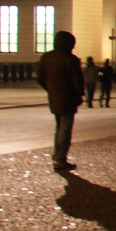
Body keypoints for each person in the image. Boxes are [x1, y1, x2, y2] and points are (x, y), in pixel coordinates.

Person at [36, 30, 85, 172]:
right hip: (68, 98)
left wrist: (51, 89)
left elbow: (40, 79)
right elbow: (77, 81)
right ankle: (60, 158)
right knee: (65, 129)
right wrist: (80, 95)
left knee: (59, 128)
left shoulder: (46, 58)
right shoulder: (71, 59)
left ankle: (57, 156)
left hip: (54, 97)